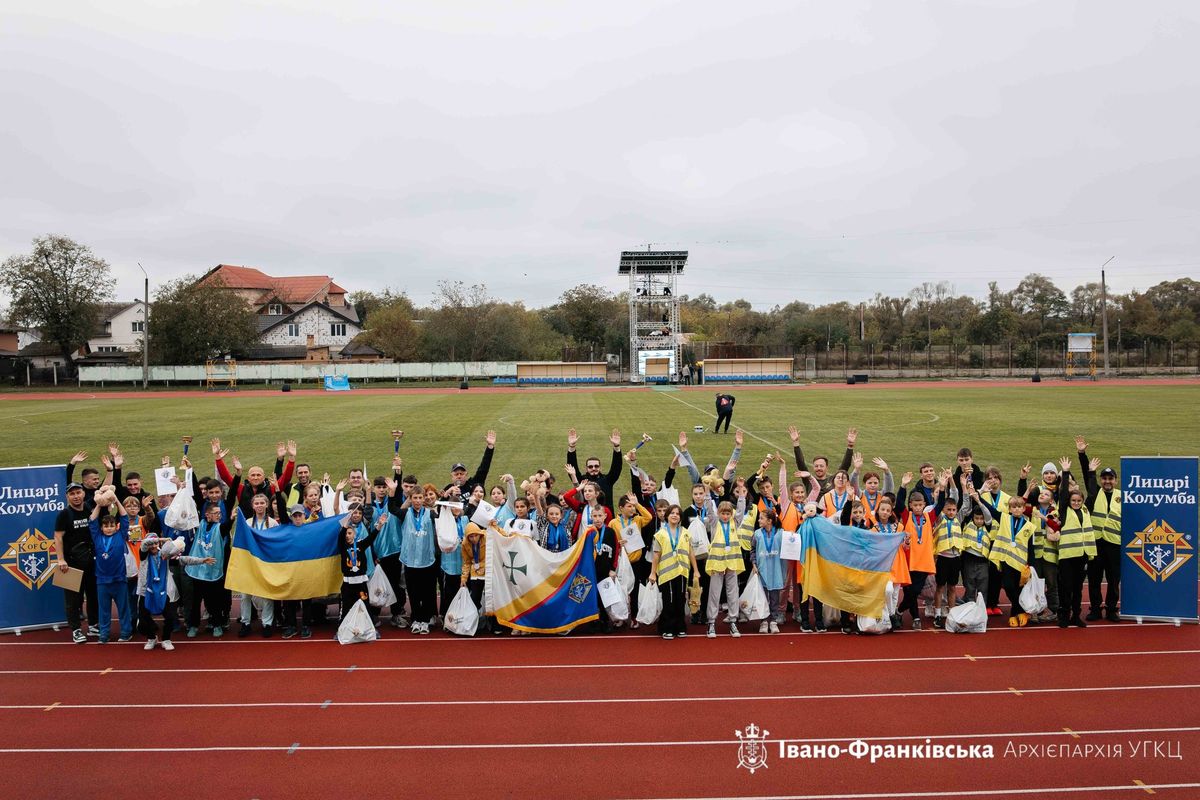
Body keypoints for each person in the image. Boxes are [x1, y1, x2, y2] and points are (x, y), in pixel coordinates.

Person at [138, 533, 214, 650]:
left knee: (169, 617)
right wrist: (161, 539)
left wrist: (202, 560)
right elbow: (144, 543)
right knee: (142, 622)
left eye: (155, 544)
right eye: (151, 544)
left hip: (163, 592)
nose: (153, 546)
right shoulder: (143, 555)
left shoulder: (165, 556)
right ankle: (151, 637)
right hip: (146, 592)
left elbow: (184, 560)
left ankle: (166, 639)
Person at [1077, 437, 1121, 622]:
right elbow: (1088, 475)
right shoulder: (1095, 492)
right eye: (1104, 478)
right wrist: (1082, 454)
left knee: (1113, 579)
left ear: (1116, 481)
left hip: (1114, 544)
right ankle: (1095, 608)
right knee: (1094, 578)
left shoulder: (1124, 496)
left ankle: (1111, 609)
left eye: (1110, 478)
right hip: (1096, 543)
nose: (1107, 481)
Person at [185, 484, 237, 638]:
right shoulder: (199, 525)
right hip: (197, 570)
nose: (219, 515)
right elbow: (196, 496)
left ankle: (217, 624)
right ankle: (194, 625)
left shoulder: (220, 528)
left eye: (220, 513)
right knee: (195, 601)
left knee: (213, 600)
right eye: (216, 513)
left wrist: (232, 518)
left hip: (212, 570)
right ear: (207, 515)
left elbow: (226, 526)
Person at [1057, 458, 1098, 629]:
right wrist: (1065, 473)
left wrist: (1092, 473)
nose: (1076, 503)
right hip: (1067, 557)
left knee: (1078, 589)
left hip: (1081, 556)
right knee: (1066, 588)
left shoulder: (1086, 509)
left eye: (1078, 501)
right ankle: (1064, 615)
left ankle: (1076, 615)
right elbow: (1063, 495)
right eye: (1073, 501)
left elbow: (1093, 493)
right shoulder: (1064, 510)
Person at [88, 487, 132, 643]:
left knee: (123, 608)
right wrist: (99, 503)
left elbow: (124, 517)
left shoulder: (121, 535)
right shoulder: (97, 537)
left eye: (111, 525)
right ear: (102, 528)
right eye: (106, 526)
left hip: (119, 579)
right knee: (104, 610)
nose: (109, 528)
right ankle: (104, 634)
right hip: (102, 580)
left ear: (116, 527)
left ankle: (126, 632)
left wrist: (116, 500)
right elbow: (92, 520)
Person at [649, 504, 699, 640]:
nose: (675, 515)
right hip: (666, 573)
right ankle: (667, 628)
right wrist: (653, 573)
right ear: (667, 516)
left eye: (677, 513)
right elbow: (656, 555)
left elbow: (690, 552)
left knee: (680, 599)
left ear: (680, 517)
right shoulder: (660, 534)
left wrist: (696, 570)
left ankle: (680, 627)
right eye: (672, 513)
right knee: (669, 601)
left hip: (682, 571)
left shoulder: (685, 532)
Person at [989, 494, 1036, 628]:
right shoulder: (1004, 518)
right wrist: (977, 498)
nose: (1016, 509)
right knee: (1008, 586)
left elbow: (1031, 547)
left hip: (1021, 563)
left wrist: (1031, 565)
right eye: (1013, 507)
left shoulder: (1029, 526)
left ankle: (1014, 613)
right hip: (1006, 560)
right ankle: (1022, 610)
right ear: (1009, 509)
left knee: (1019, 588)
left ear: (1023, 509)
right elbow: (991, 511)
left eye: (1019, 507)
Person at [566, 428, 624, 514]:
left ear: (600, 467)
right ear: (586, 468)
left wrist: (616, 447)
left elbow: (616, 467)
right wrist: (572, 447)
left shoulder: (607, 480)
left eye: (596, 466)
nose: (593, 468)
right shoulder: (582, 480)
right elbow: (572, 469)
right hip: (585, 519)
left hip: (606, 518)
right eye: (590, 466)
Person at [337, 503, 378, 622]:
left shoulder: (361, 545)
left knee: (365, 604)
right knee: (346, 607)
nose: (347, 536)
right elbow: (341, 536)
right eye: (346, 534)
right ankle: (342, 629)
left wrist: (379, 526)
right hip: (348, 584)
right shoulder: (342, 547)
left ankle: (370, 628)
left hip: (361, 583)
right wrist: (345, 526)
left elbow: (371, 537)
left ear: (354, 535)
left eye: (350, 533)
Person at [751, 509, 784, 633]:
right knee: (763, 597)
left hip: (776, 570)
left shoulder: (781, 533)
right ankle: (764, 621)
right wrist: (754, 564)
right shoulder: (757, 534)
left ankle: (774, 620)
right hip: (762, 570)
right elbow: (753, 550)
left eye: (761, 518)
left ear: (769, 521)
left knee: (775, 597)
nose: (759, 520)